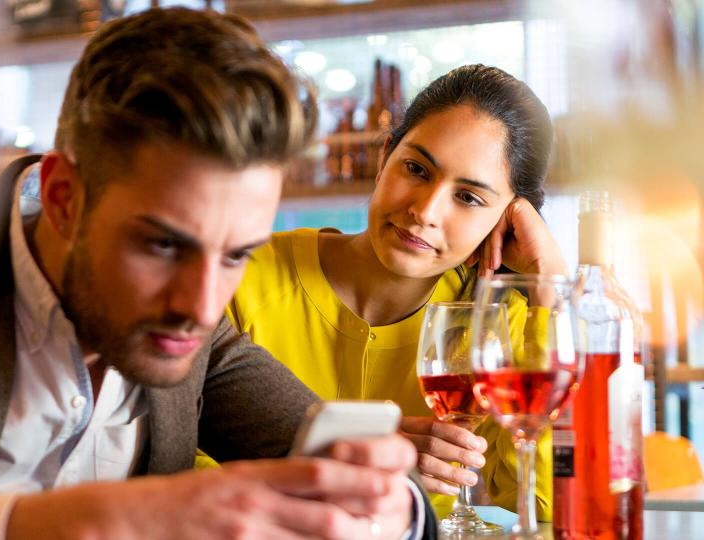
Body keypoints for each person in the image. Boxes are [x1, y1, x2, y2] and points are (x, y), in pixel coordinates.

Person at [0, 8, 438, 540]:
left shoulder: (192, 333)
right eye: (162, 245)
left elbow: (401, 505)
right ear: (66, 198)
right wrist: (81, 520)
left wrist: (388, 504)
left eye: (237, 254)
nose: (204, 303)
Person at [226, 64, 565, 519]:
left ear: (506, 220)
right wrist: (354, 466)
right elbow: (179, 466)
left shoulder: (497, 324)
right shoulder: (244, 275)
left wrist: (548, 284)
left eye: (468, 198)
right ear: (385, 156)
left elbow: (549, 500)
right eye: (416, 169)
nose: (424, 210)